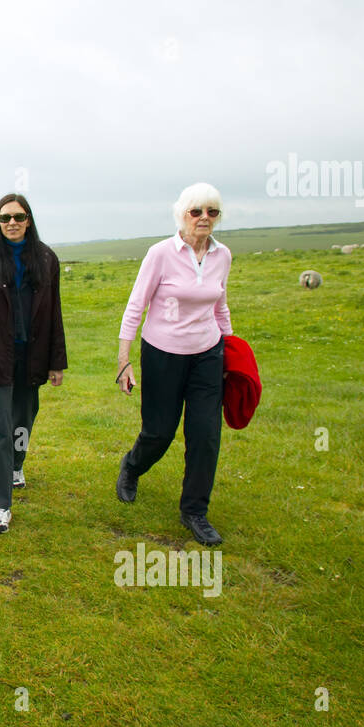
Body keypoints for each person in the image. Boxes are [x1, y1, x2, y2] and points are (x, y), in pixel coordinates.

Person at [115, 183, 233, 546]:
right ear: (182, 215)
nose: (204, 219)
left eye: (212, 212)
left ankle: (194, 511)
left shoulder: (222, 255)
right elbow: (137, 305)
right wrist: (124, 359)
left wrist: (231, 352)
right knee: (160, 431)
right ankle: (132, 466)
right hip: (162, 353)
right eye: (196, 212)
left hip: (208, 355)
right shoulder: (161, 254)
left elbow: (220, 305)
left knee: (205, 434)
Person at [0, 194, 67, 534]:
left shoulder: (46, 258)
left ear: (29, 220)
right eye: (5, 218)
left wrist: (55, 362)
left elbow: (54, 313)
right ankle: (0, 506)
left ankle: (17, 465)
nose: (12, 223)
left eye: (18, 217)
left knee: (23, 418)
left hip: (31, 355)